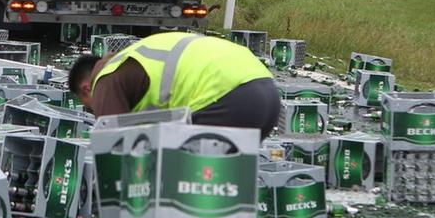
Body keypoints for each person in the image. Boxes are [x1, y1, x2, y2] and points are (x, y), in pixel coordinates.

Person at [69, 32, 280, 138]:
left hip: (223, 96)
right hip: (265, 89)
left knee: (187, 187)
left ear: (87, 88)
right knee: (224, 189)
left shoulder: (106, 79)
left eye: (88, 105)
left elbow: (113, 147)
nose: (93, 110)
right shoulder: (133, 56)